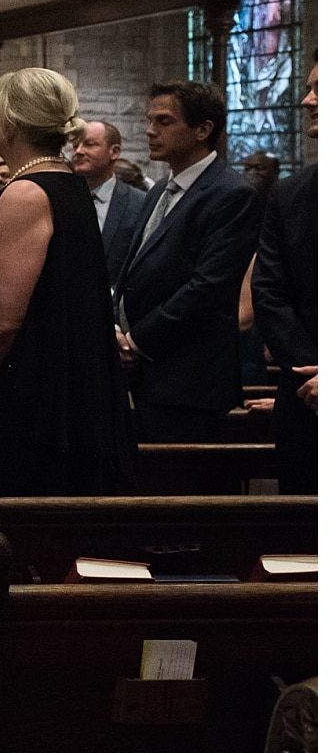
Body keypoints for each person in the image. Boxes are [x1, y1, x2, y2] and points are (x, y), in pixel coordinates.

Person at [0, 69, 134, 494]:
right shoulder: (68, 183)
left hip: (28, 407)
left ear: (8, 121)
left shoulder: (26, 194)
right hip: (60, 397)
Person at [113, 80, 260, 443]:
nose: (150, 131)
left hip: (188, 382)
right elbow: (135, 270)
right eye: (150, 120)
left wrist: (137, 341)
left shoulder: (231, 193)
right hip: (144, 376)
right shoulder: (161, 189)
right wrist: (116, 328)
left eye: (164, 121)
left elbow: (208, 286)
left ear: (202, 129)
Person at [249, 64, 317, 493]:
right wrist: (311, 369)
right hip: (306, 401)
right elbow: (269, 291)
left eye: (318, 90)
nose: (307, 100)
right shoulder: (291, 193)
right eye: (308, 89)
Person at [71, 120, 140, 287]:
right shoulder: (60, 200)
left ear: (114, 152)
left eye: (89, 144)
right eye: (75, 146)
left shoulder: (139, 203)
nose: (79, 151)